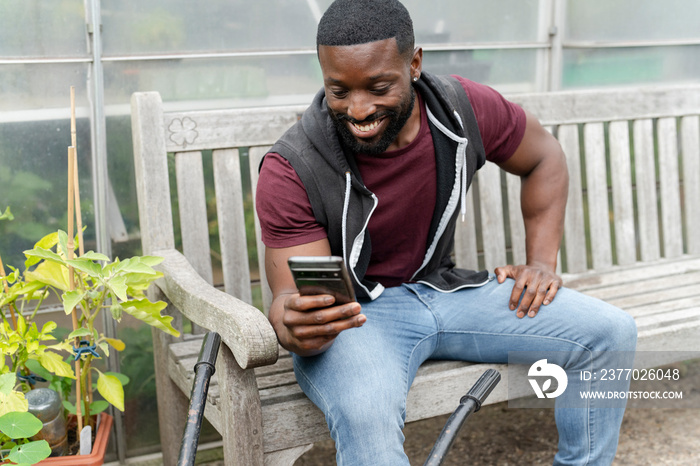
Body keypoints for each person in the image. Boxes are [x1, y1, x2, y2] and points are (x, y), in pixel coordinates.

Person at [255, 0, 638, 464]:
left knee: (610, 333)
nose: (357, 109)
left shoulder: (461, 109)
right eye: (339, 91)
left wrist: (540, 264)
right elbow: (290, 299)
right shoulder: (293, 167)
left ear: (414, 63)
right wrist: (295, 324)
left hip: (445, 290)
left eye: (378, 87)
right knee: (367, 411)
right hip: (359, 320)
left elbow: (544, 158)